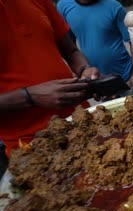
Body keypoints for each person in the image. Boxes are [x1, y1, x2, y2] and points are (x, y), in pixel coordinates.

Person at [0, 0, 100, 157]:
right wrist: (29, 97)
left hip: (82, 121)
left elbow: (71, 51)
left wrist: (84, 70)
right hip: (31, 147)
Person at [57, 0, 133, 95]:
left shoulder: (114, 6)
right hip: (97, 82)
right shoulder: (64, 6)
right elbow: (69, 47)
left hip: (126, 79)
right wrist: (79, 73)